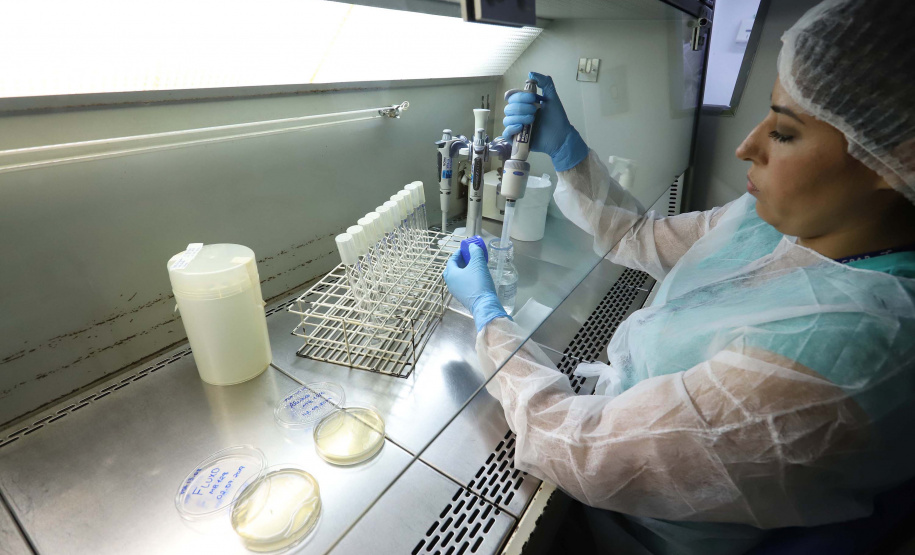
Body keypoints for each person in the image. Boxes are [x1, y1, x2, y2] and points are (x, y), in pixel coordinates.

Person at [443, 0, 915, 553]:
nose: (746, 146)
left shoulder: (844, 360)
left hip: (636, 531)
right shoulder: (788, 227)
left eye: (785, 133)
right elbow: (638, 237)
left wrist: (491, 322)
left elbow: (576, 449)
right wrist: (568, 154)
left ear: (898, 158)